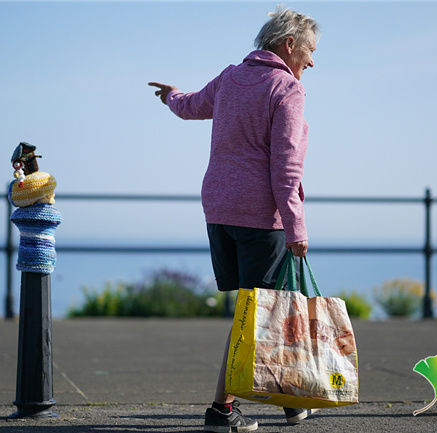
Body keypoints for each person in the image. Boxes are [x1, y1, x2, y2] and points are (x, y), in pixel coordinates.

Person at [149, 6, 318, 432]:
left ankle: (290, 401)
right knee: (255, 313)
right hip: (261, 218)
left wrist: (170, 95)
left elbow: (190, 106)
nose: (312, 62)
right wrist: (297, 228)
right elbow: (286, 168)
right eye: (311, 51)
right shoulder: (286, 89)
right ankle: (221, 411)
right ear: (290, 44)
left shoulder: (230, 77)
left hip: (219, 210)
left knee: (265, 309)